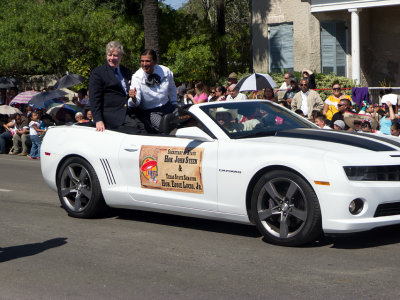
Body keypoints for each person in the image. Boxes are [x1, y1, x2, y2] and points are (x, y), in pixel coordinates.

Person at [89, 41, 144, 133]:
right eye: (109, 55)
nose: (112, 58)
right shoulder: (98, 73)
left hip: (130, 112)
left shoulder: (126, 71)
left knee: (147, 127)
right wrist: (98, 120)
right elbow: (94, 99)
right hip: (112, 116)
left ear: (121, 56)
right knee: (136, 129)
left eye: (115, 55)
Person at [129, 49, 177, 133]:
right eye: (142, 61)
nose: (144, 64)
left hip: (168, 107)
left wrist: (174, 102)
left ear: (155, 61)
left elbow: (172, 87)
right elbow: (137, 102)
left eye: (147, 61)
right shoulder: (137, 77)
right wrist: (133, 98)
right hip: (151, 112)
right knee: (166, 129)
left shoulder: (165, 71)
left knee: (186, 120)